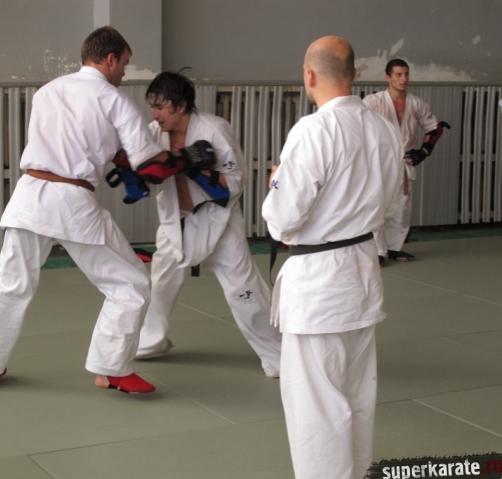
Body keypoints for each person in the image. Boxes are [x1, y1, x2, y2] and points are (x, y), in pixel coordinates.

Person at [0, 27, 203, 394]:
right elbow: (149, 165)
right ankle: (111, 369)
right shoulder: (114, 100)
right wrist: (186, 159)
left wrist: (120, 158)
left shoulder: (47, 91)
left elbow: (87, 142)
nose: (124, 72)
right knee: (131, 284)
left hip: (29, 195)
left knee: (12, 284)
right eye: (124, 64)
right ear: (110, 58)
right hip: (70, 201)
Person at [261, 37, 403, 478]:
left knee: (317, 411)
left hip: (319, 286)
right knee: (357, 400)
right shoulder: (385, 129)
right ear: (354, 74)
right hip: (362, 271)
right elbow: (391, 204)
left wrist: (276, 182)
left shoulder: (313, 130)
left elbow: (282, 220)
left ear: (309, 75)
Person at [134, 71, 282, 378]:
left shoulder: (215, 130)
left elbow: (233, 184)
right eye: (152, 106)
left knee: (244, 291)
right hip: (175, 223)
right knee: (160, 284)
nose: (155, 114)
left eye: (161, 106)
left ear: (181, 105)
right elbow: (144, 178)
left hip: (219, 222)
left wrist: (191, 167)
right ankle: (151, 341)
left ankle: (279, 356)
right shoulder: (153, 132)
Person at [363, 58, 446, 264]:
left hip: (405, 160)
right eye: (398, 74)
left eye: (406, 74)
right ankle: (377, 251)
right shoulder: (373, 102)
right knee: (378, 204)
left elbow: (433, 128)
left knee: (402, 206)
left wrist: (424, 150)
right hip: (380, 160)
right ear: (388, 77)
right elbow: (357, 125)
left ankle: (395, 247)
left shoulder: (417, 103)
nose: (403, 79)